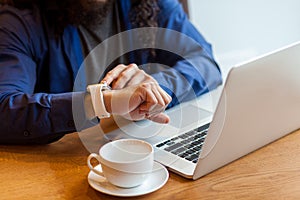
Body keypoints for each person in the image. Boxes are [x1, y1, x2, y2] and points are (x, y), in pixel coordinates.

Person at [0, 0, 222, 144]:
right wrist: (100, 102)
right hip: (65, 168)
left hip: (143, 153)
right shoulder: (19, 20)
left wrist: (154, 88)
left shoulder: (151, 4)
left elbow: (204, 63)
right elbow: (4, 108)